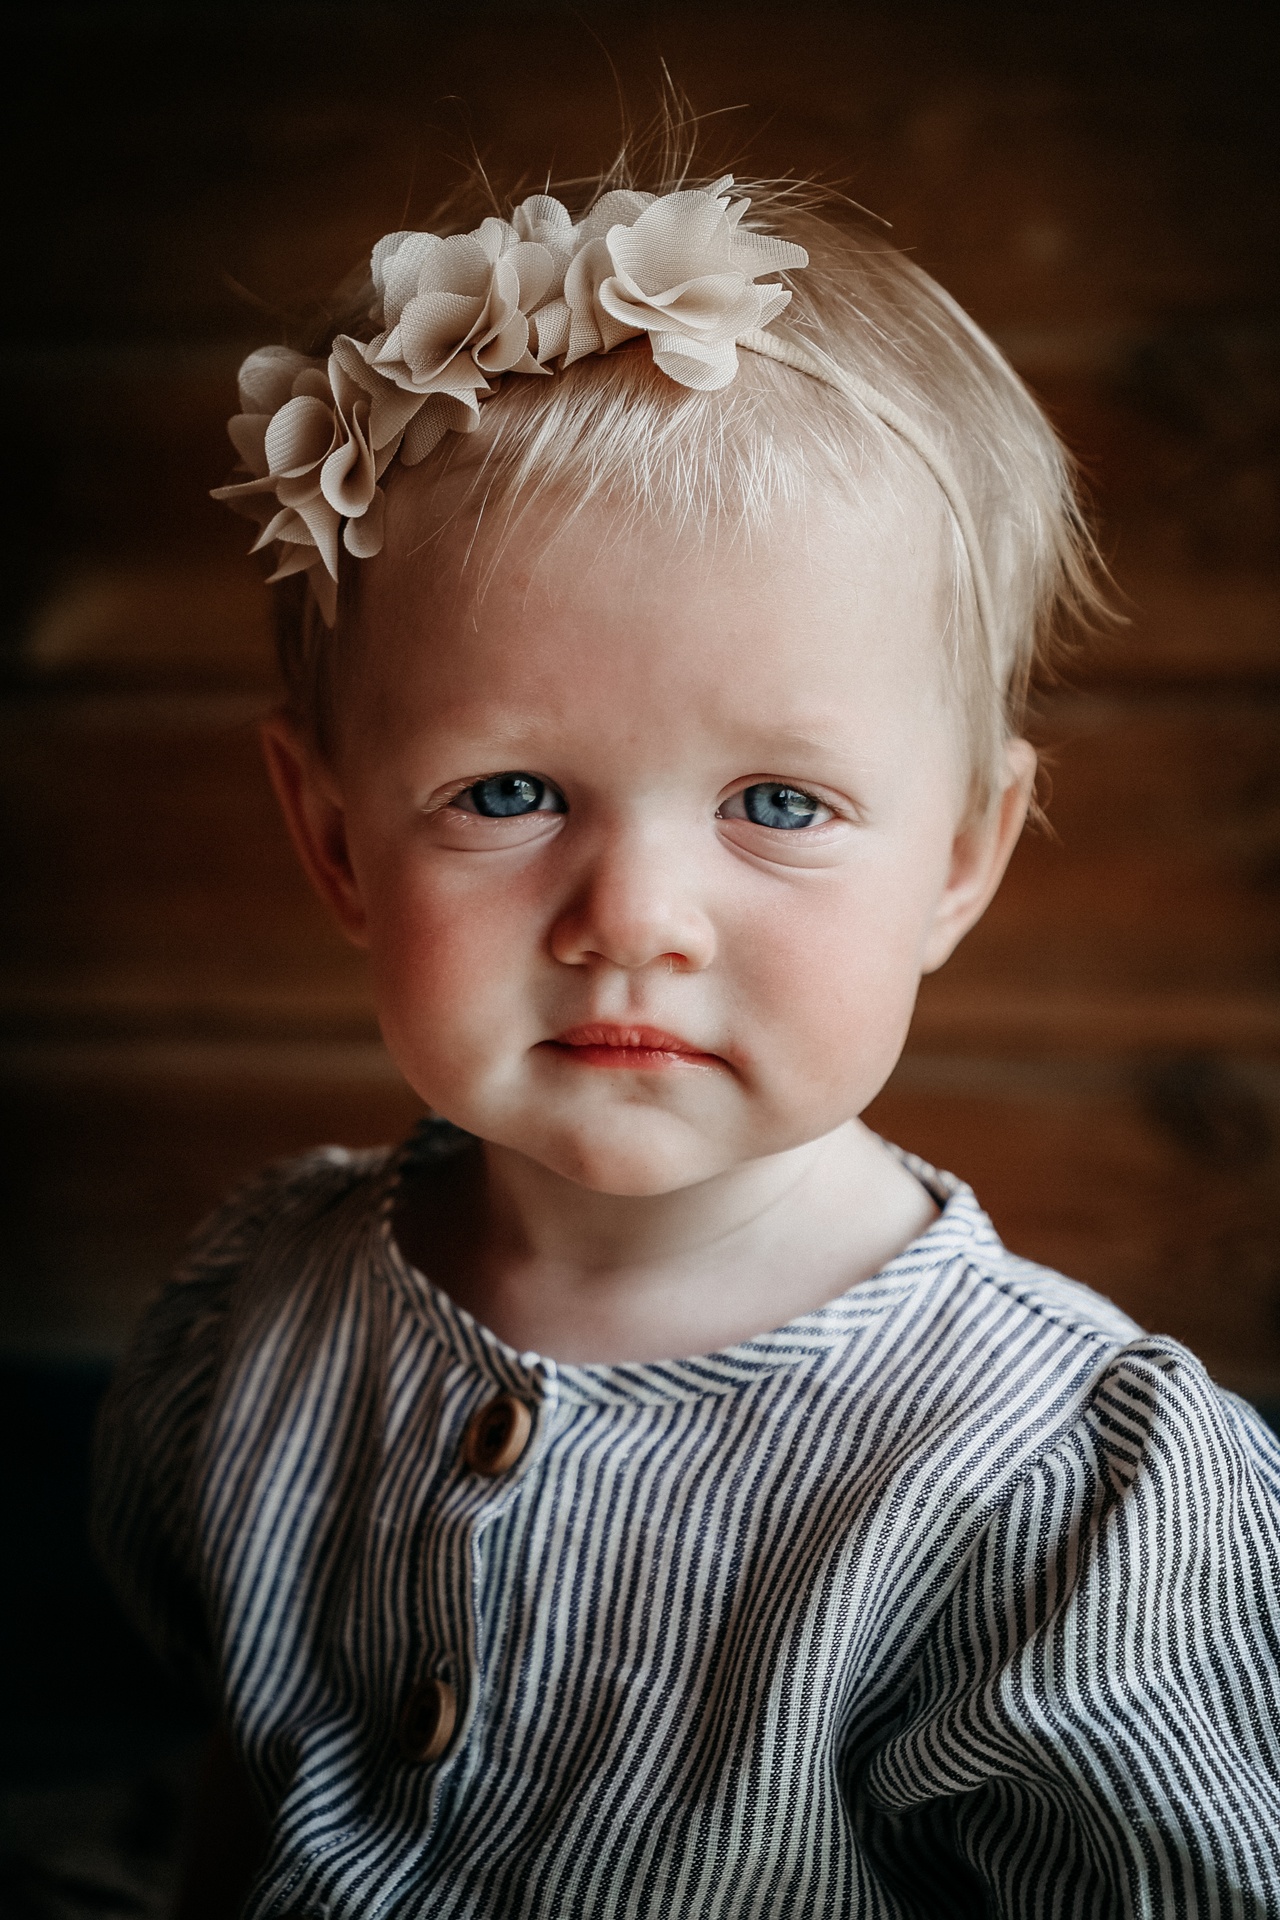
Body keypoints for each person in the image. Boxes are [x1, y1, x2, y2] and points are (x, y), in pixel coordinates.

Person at [93, 150, 1280, 1918]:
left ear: (962, 856)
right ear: (333, 836)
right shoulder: (256, 1317)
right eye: (507, 791)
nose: (636, 914)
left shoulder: (1064, 1499)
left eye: (778, 804)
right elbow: (248, 1800)